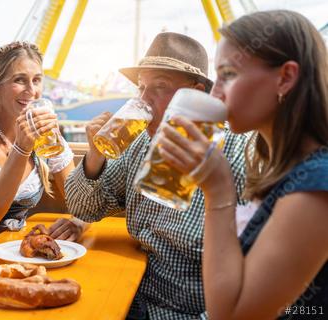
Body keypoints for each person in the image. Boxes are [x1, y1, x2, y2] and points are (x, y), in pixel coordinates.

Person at [65, 32, 249, 319]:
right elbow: (85, 209)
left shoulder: (236, 152)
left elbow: (261, 278)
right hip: (126, 296)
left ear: (196, 92)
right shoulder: (140, 142)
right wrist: (94, 154)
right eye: (141, 87)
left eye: (159, 87)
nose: (144, 99)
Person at [157, 10, 328, 319]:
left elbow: (232, 316)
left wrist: (218, 188)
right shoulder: (281, 166)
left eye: (229, 74)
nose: (215, 92)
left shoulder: (317, 185)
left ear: (286, 77)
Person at [0, 41, 86, 241]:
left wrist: (79, 222)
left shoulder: (46, 136)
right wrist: (21, 148)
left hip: (18, 249)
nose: (31, 90)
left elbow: (82, 203)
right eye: (20, 80)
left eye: (37, 80)